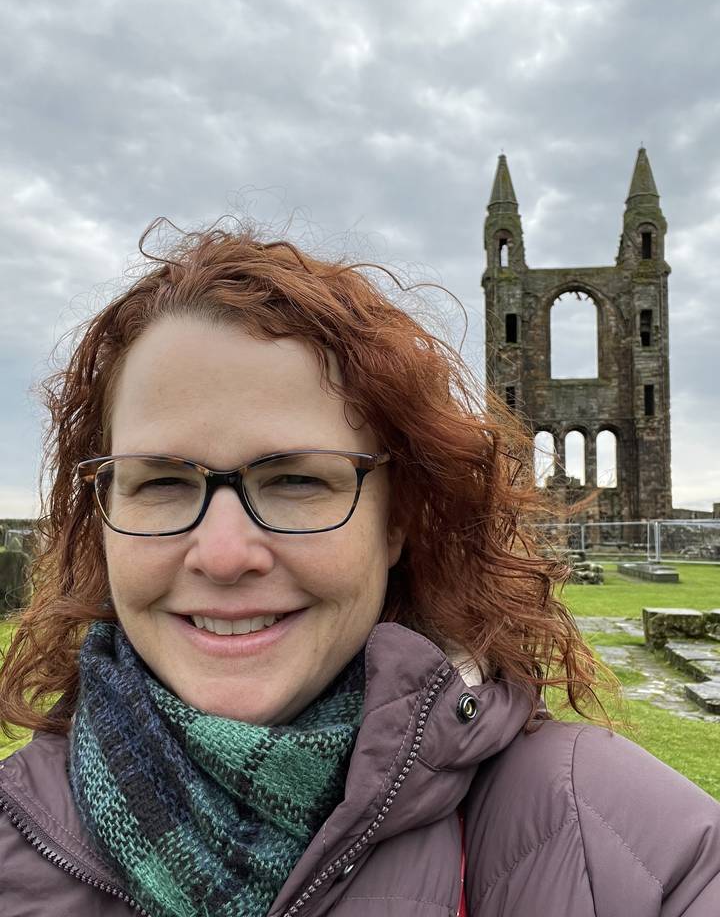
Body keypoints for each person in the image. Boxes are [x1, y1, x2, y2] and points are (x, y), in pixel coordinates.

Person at [0, 223, 718, 917]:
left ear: (398, 518)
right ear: (99, 511)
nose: (222, 555)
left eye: (297, 481)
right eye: (158, 482)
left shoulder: (622, 846)